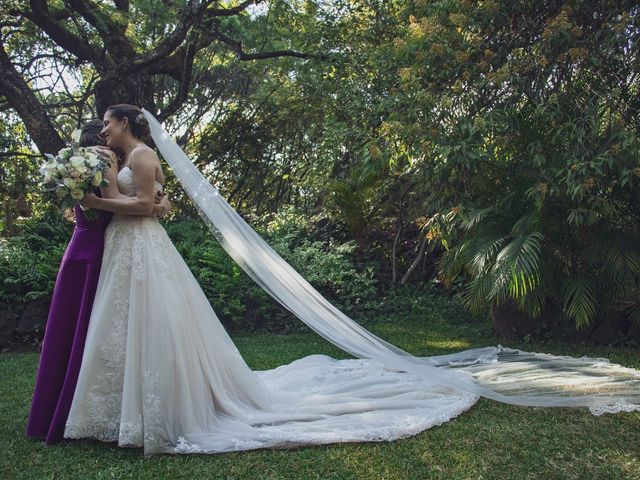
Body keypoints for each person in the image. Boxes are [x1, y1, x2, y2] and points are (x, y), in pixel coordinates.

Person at [65, 104, 640, 456]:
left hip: (142, 247)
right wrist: (94, 200)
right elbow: (144, 203)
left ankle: (157, 411)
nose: (106, 128)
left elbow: (151, 206)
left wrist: (94, 198)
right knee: (126, 325)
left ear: (125, 124)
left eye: (110, 121)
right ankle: (119, 410)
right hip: (127, 250)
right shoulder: (121, 157)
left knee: (151, 322)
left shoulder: (140, 156)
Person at [26, 120, 170, 445]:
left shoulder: (84, 161)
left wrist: (157, 204)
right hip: (95, 249)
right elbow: (122, 200)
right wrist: (152, 207)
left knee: (77, 330)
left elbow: (147, 198)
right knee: (87, 328)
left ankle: (54, 409)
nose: (107, 133)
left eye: (110, 126)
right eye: (103, 128)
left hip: (84, 247)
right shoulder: (104, 157)